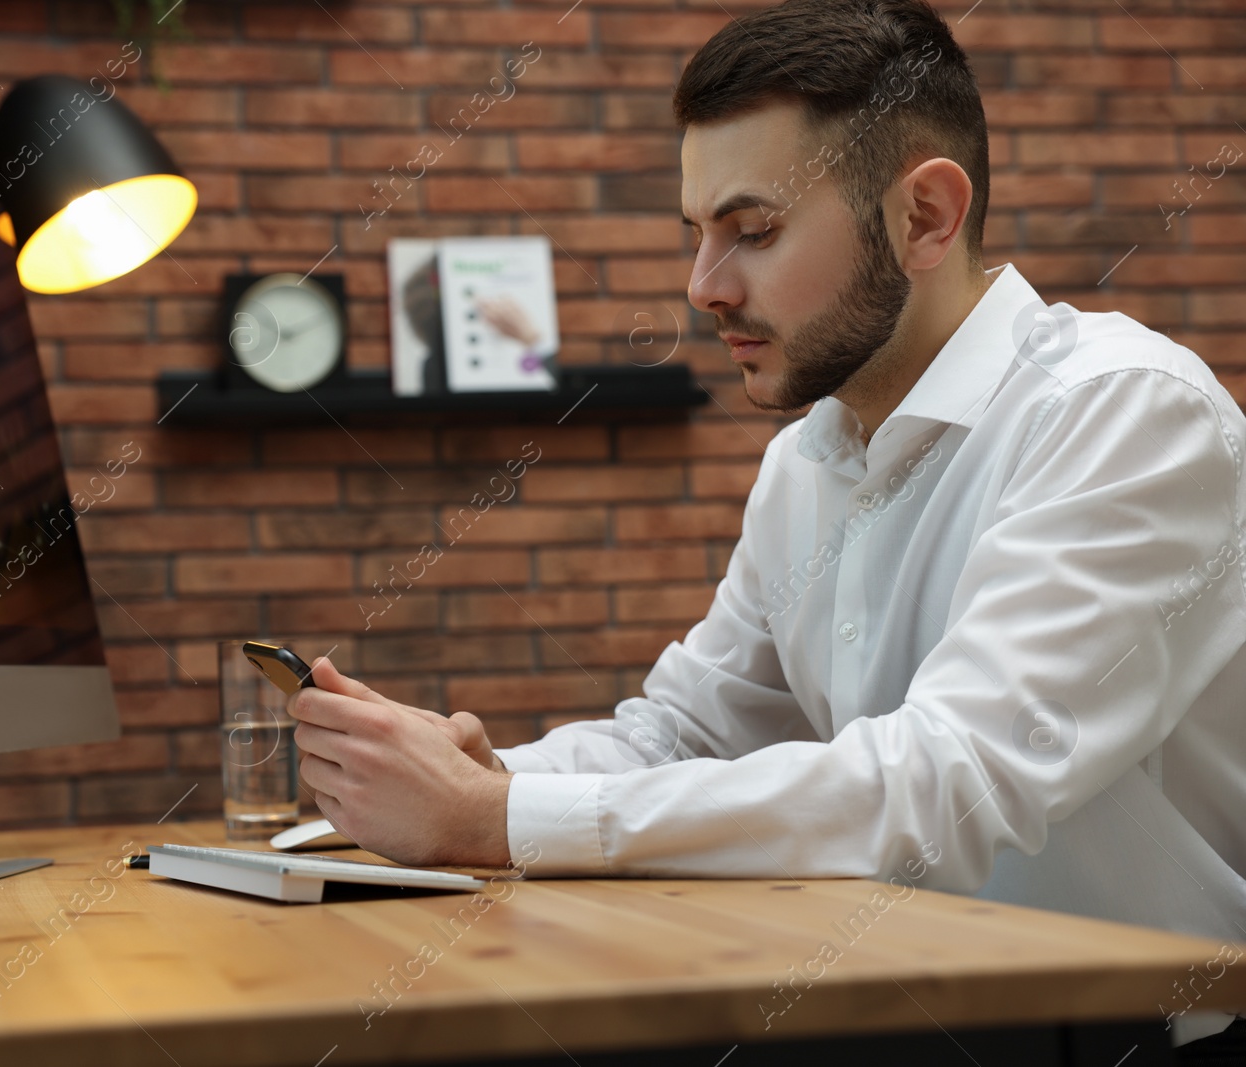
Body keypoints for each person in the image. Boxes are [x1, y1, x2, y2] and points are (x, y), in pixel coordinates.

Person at [287, 0, 1246, 1050]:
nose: (702, 285)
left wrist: (489, 822)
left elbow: (951, 781)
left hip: (1134, 1030)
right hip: (911, 1003)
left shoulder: (1125, 410)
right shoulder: (809, 455)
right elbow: (687, 731)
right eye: (696, 234)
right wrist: (487, 778)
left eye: (753, 231)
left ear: (924, 217)